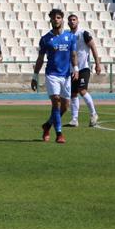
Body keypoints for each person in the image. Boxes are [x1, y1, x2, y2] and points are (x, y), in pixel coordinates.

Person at [31, 8, 77, 144]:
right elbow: (40, 59)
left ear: (62, 20)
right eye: (53, 18)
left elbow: (73, 54)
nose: (55, 20)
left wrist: (76, 68)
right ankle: (59, 133)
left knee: (65, 106)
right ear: (50, 20)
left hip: (66, 76)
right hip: (52, 74)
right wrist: (35, 76)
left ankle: (47, 125)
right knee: (56, 101)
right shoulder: (46, 39)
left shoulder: (70, 37)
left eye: (58, 17)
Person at [65, 13, 101, 128]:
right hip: (72, 69)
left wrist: (97, 64)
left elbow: (93, 47)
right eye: (70, 20)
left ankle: (93, 114)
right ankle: (74, 119)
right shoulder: (67, 36)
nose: (72, 22)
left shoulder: (83, 33)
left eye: (74, 19)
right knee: (73, 94)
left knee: (82, 90)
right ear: (68, 22)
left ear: (77, 21)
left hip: (84, 68)